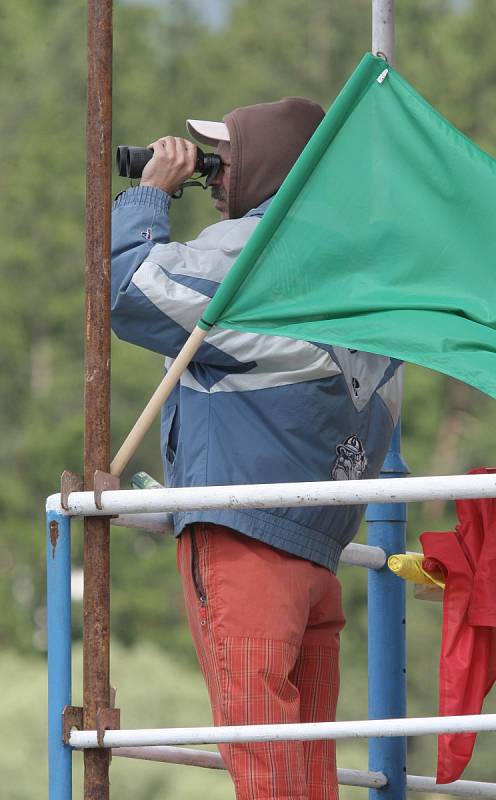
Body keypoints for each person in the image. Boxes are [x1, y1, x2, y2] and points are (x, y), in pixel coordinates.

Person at [111, 97, 403, 800]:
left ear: (274, 167)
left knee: (262, 756)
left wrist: (149, 195)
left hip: (246, 545)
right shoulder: (360, 277)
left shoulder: (254, 253)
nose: (215, 171)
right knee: (303, 762)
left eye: (228, 154)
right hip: (320, 551)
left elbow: (127, 290)